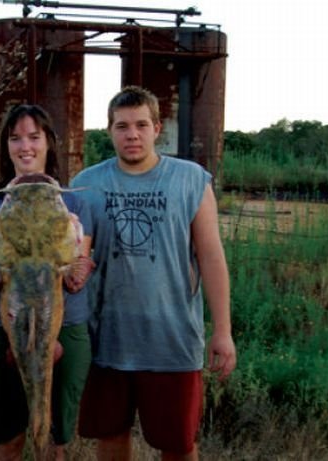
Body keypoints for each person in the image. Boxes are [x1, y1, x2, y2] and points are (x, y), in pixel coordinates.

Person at [71, 86, 236, 461]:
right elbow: (73, 261)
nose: (132, 134)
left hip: (172, 340)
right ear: (109, 130)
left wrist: (222, 331)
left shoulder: (190, 179)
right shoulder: (88, 183)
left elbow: (211, 257)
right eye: (122, 126)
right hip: (107, 339)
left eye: (141, 125)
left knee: (177, 444)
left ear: (157, 128)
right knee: (110, 436)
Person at [0, 104, 94, 461]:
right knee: (8, 440)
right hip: (4, 327)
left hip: (64, 326)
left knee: (54, 441)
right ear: (5, 146)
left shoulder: (73, 203)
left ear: (49, 143)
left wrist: (74, 243)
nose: (25, 146)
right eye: (15, 138)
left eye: (34, 137)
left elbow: (75, 278)